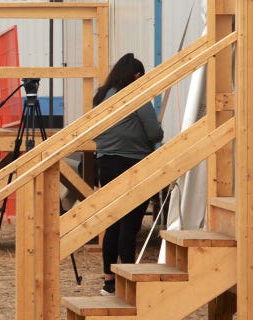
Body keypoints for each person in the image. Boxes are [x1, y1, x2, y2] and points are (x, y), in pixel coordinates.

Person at [93, 53, 163, 296]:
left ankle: (109, 281)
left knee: (112, 221)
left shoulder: (101, 96)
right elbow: (154, 133)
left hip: (105, 163)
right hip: (132, 164)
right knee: (130, 224)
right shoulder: (137, 95)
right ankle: (128, 280)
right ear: (136, 76)